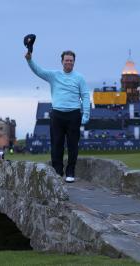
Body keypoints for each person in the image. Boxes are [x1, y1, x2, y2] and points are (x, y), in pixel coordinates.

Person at [25, 49, 90, 183]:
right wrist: (29, 60)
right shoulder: (54, 75)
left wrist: (86, 113)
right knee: (56, 144)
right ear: (62, 61)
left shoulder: (79, 78)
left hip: (74, 114)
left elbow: (85, 96)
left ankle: (70, 172)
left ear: (74, 62)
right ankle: (57, 172)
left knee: (73, 145)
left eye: (71, 60)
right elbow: (39, 71)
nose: (68, 62)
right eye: (66, 60)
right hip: (57, 114)